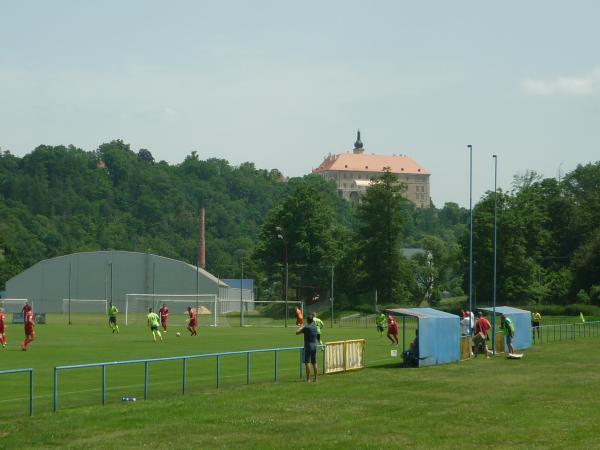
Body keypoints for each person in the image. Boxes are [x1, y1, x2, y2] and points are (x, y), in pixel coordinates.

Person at [295, 314, 318, 383]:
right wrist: (303, 327)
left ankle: (308, 379)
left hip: (308, 346)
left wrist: (300, 327)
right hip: (314, 345)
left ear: (307, 320)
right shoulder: (315, 327)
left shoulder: (306, 327)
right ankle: (316, 378)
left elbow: (297, 333)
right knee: (314, 362)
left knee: (307, 362)